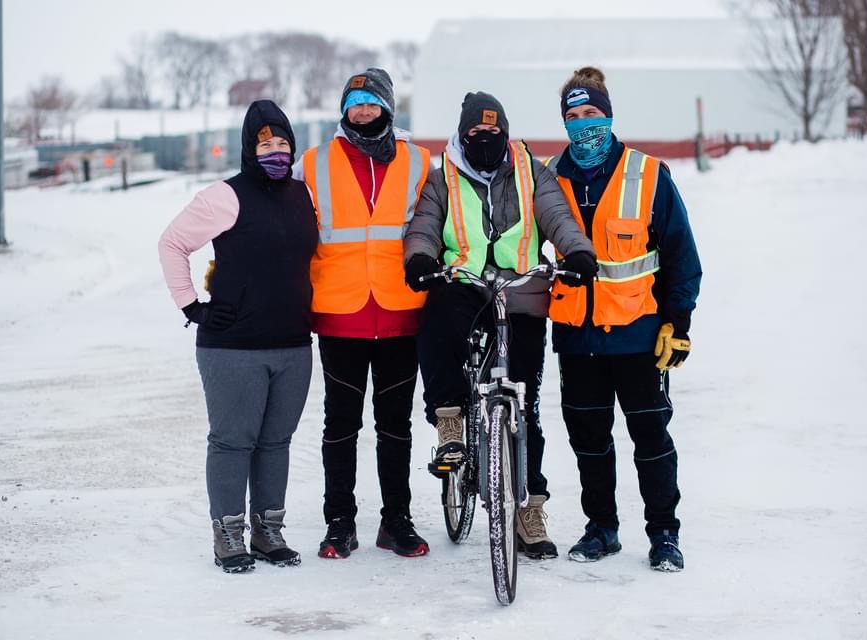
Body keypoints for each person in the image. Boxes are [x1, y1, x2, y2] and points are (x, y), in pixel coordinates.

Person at [403, 92, 596, 560]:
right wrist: (421, 258)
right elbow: (425, 224)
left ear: (505, 134)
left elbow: (557, 216)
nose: (484, 139)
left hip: (522, 290)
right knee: (437, 319)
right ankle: (450, 419)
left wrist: (577, 251)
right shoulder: (442, 176)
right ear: (462, 135)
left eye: (493, 132)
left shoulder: (532, 170)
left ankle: (529, 509)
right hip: (465, 284)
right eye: (475, 133)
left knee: (524, 407)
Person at [545, 67, 702, 571]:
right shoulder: (548, 177)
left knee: (651, 439)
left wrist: (678, 323)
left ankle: (664, 534)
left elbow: (680, 255)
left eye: (591, 113)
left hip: (638, 335)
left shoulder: (647, 174)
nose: (582, 123)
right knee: (589, 441)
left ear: (608, 116)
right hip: (576, 337)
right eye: (573, 116)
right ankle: (601, 528)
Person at [158, 100, 319, 573]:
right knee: (233, 441)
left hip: (293, 343)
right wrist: (191, 305)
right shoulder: (225, 196)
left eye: (283, 142)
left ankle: (268, 531)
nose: (276, 152)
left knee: (276, 441)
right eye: (265, 145)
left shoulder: (302, 195)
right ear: (249, 149)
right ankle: (228, 533)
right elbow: (172, 243)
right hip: (233, 347)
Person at [296, 68, 431, 559]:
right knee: (341, 424)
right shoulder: (313, 163)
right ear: (343, 110)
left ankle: (396, 521)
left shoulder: (419, 161)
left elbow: (434, 224)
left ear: (388, 107)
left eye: (372, 102)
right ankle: (340, 523)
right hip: (340, 311)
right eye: (354, 104)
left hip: (401, 309)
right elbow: (287, 223)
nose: (364, 111)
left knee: (396, 425)